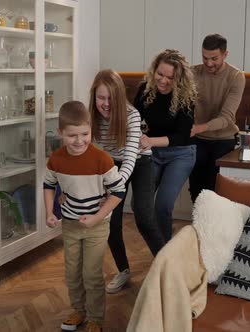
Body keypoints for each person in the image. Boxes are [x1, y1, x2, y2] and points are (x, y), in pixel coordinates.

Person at [43, 100, 126, 332]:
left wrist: (98, 217)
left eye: (85, 134)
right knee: (72, 272)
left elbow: (119, 192)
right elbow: (48, 185)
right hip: (69, 225)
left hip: (97, 227)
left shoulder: (102, 159)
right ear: (61, 133)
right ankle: (79, 310)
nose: (79, 141)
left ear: (91, 130)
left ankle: (96, 319)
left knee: (91, 273)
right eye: (72, 136)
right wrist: (50, 212)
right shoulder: (56, 159)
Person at [88, 69, 166, 294]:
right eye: (101, 97)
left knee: (144, 216)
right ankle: (123, 270)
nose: (106, 103)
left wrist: (115, 191)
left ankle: (167, 269)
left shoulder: (131, 115)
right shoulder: (91, 116)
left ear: (120, 96)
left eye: (111, 98)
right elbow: (93, 153)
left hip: (140, 163)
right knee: (111, 220)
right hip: (113, 164)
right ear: (94, 96)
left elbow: (131, 157)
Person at [133, 49, 197, 243]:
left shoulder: (187, 96)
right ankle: (157, 242)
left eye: (170, 77)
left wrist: (150, 140)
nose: (163, 80)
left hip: (181, 153)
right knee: (140, 205)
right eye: (160, 74)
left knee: (163, 205)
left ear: (179, 79)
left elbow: (182, 135)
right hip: (152, 152)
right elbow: (135, 118)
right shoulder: (145, 89)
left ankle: (164, 254)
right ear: (154, 70)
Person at [189, 33, 246, 202]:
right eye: (205, 57)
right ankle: (199, 226)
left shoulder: (236, 77)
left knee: (214, 191)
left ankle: (213, 227)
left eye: (214, 58)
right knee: (196, 190)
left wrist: (200, 127)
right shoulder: (192, 73)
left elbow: (227, 117)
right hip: (198, 140)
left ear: (225, 54)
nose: (208, 63)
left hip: (224, 140)